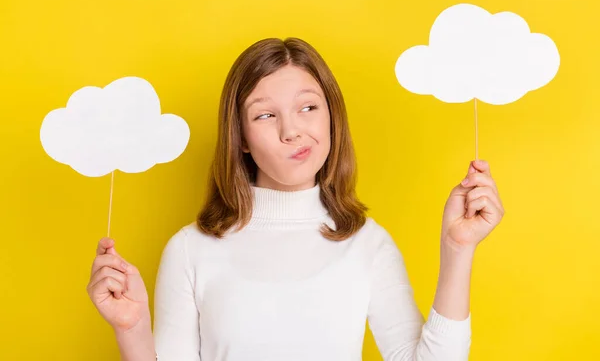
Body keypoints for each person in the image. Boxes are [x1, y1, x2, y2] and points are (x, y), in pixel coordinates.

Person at [87, 37, 505, 361]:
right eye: (265, 114)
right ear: (242, 139)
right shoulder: (189, 249)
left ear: (332, 117)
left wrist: (457, 249)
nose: (292, 131)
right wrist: (133, 328)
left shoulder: (367, 244)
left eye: (308, 107)